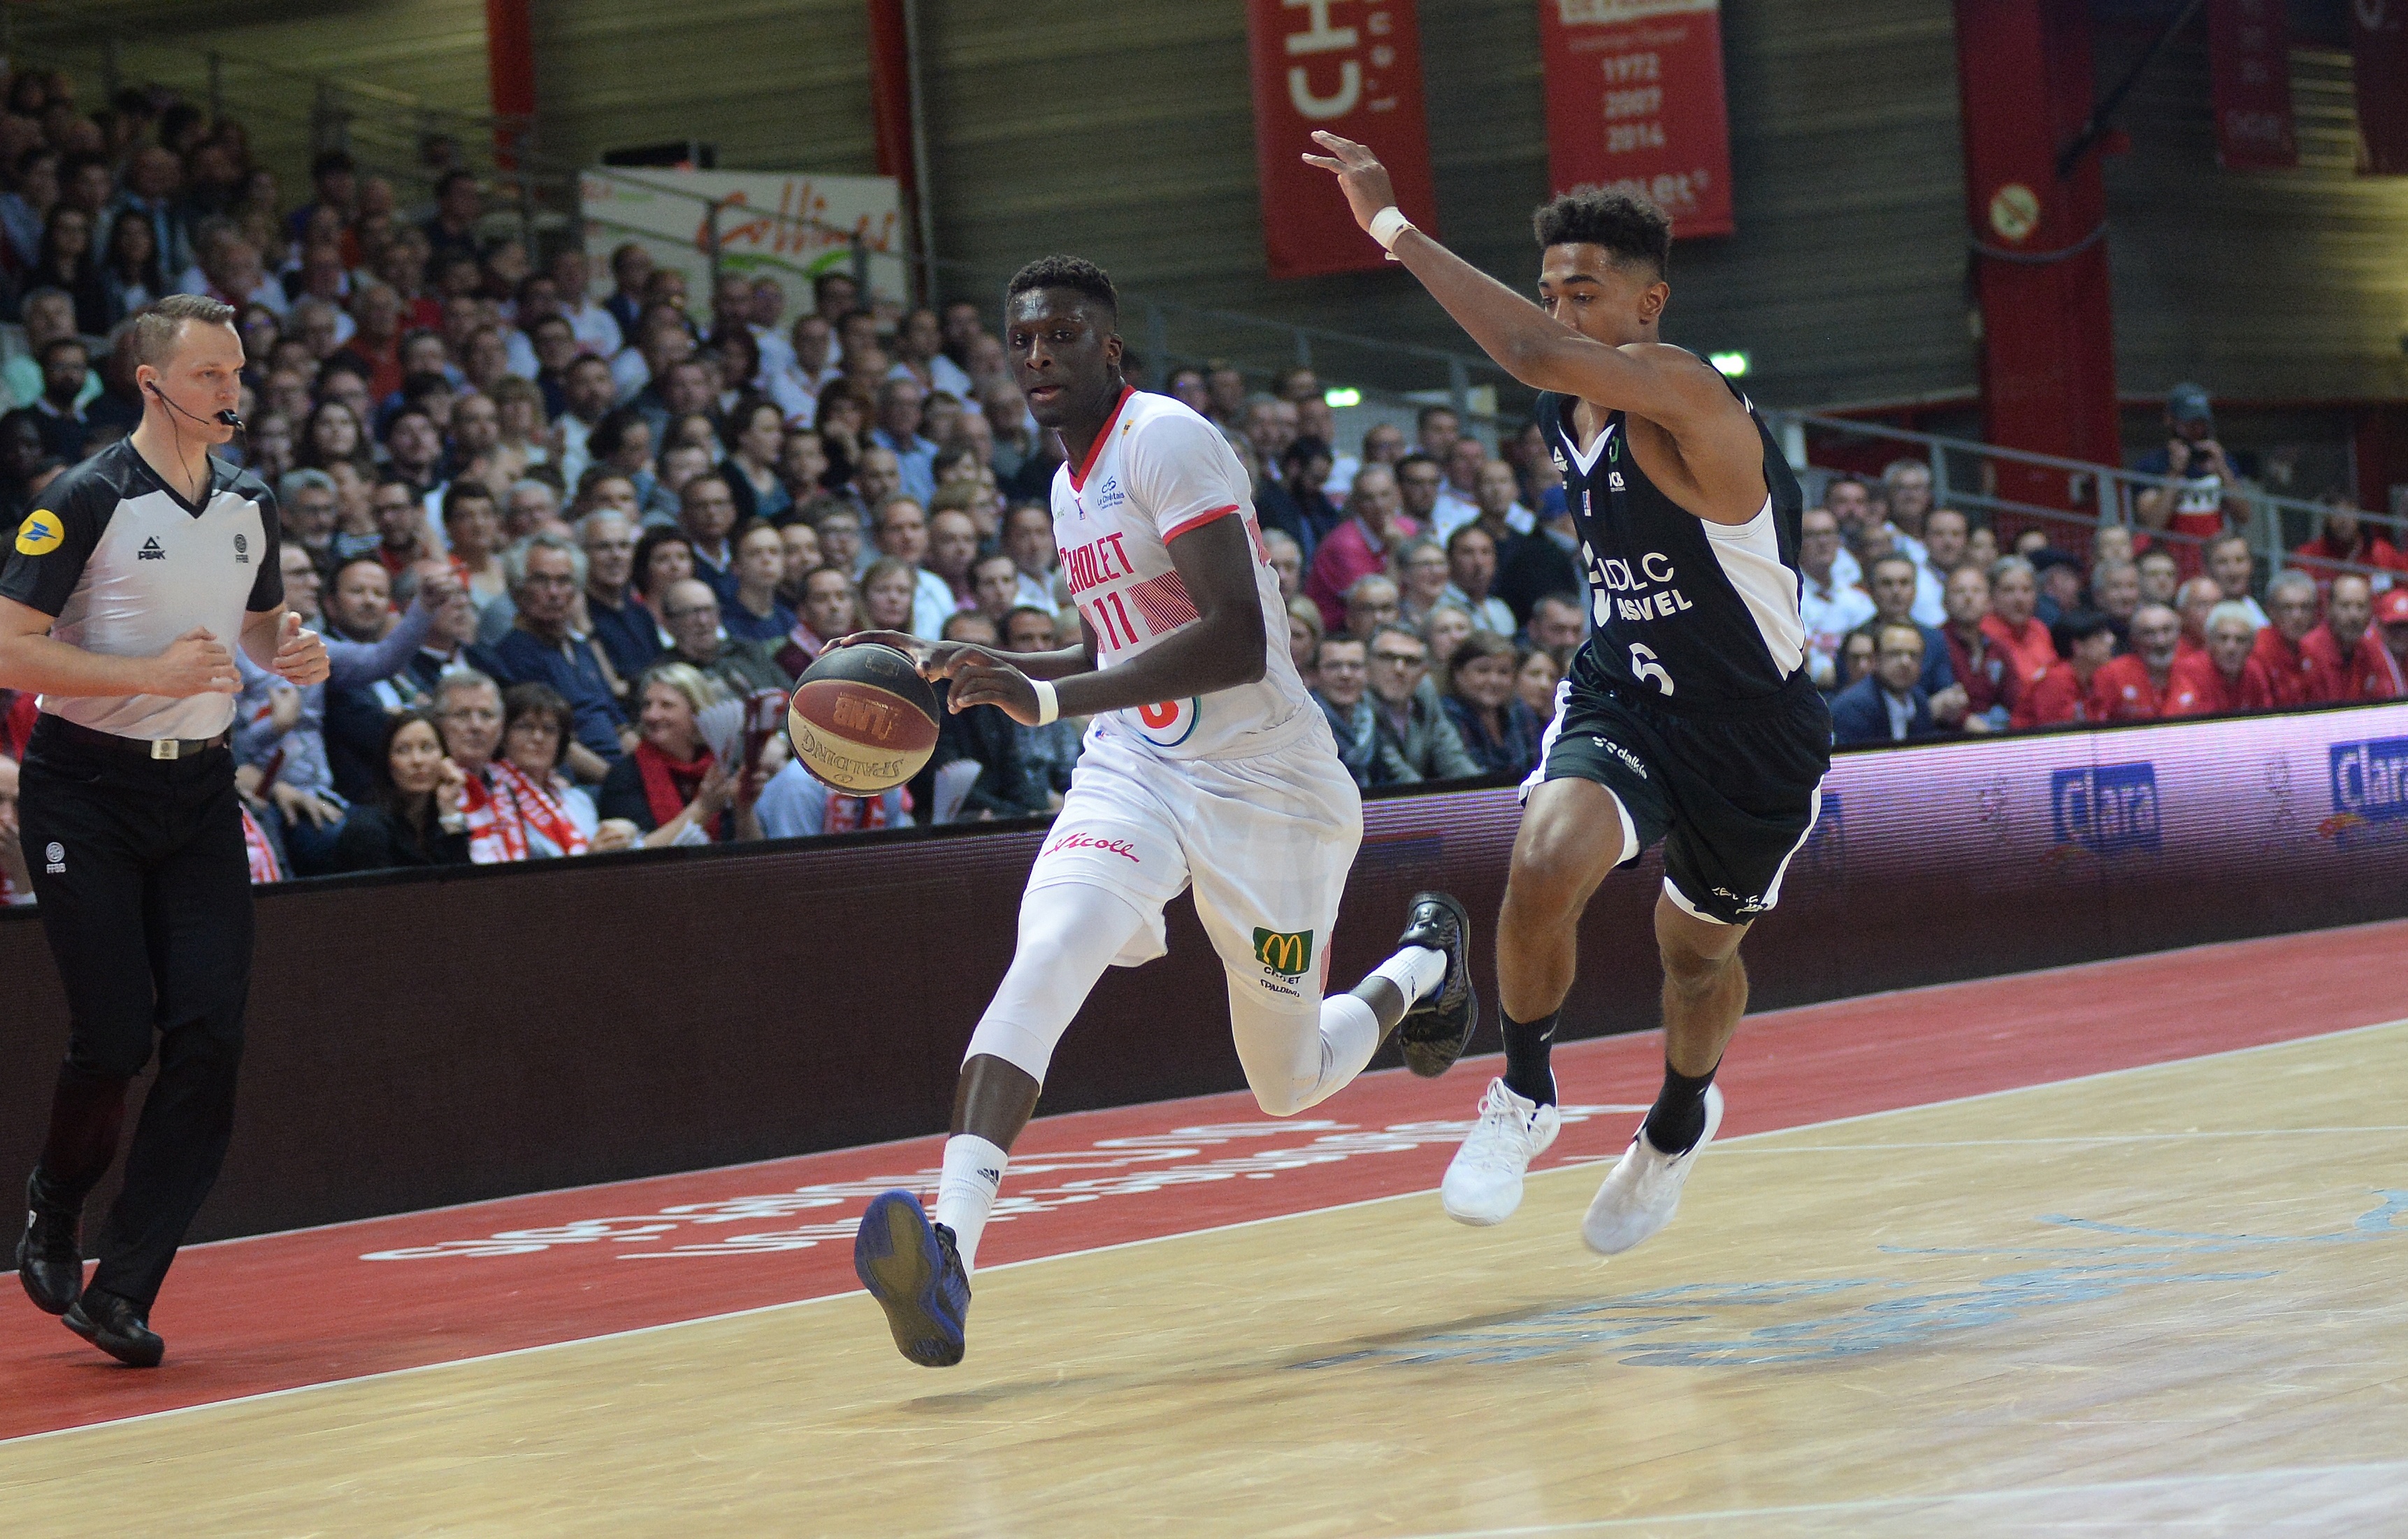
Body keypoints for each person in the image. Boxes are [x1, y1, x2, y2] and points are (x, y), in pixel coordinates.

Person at [842, 256, 1477, 1369]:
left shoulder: (1164, 438)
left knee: (1284, 1083)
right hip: (1135, 765)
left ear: (1110, 349)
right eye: (1022, 338)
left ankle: (1423, 965)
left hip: (1270, 794)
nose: (1037, 356)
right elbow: (1123, 645)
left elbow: (1233, 637)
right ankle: (949, 1252)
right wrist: (1009, 663)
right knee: (1050, 949)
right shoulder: (1064, 483)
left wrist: (1044, 696)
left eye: (1061, 336)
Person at [1304, 145, 1832, 1244]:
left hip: (1752, 735)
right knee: (1544, 858)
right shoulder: (1569, 412)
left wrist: (1392, 228)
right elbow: (1541, 354)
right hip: (1626, 697)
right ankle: (1526, 1092)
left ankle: (1679, 1122)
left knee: (1697, 960)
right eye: (1550, 291)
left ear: (1651, 302)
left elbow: (1529, 349)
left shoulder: (1686, 390)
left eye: (1583, 293)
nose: (1558, 313)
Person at [1, 294, 329, 1367]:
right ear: (151, 382)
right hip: (83, 791)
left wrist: (292, 648)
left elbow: (260, 619)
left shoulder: (250, 499)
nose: (232, 392)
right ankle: (56, 1201)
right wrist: (144, 675)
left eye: (237, 372)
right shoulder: (85, 498)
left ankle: (124, 1286)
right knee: (115, 1034)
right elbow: (9, 649)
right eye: (208, 376)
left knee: (212, 1039)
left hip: (196, 794)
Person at [596, 660, 760, 846]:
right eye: (647, 705)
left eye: (666, 705)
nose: (652, 715)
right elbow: (634, 856)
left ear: (698, 712)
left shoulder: (719, 767)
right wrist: (703, 808)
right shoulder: (625, 778)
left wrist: (744, 808)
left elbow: (752, 852)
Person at [330, 706, 473, 871]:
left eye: (427, 748)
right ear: (388, 763)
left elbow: (464, 889)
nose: (417, 761)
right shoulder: (368, 830)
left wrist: (450, 813)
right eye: (403, 750)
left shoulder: (439, 822)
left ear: (444, 758)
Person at [1365, 623, 1482, 781]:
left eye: (1411, 661)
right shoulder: (1358, 704)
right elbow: (1396, 773)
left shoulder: (1425, 698)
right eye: (1388, 658)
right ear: (1366, 664)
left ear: (1424, 671)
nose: (1399, 669)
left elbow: (1453, 758)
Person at [1443, 628, 1544, 777]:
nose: (1494, 681)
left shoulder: (1520, 711)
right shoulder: (1447, 714)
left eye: (1503, 672)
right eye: (1483, 671)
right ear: (1458, 674)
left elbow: (1539, 765)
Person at [1796, 506, 1873, 690]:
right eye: (1812, 535)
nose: (1823, 542)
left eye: (1829, 534)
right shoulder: (1787, 598)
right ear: (1796, 542)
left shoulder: (1859, 600)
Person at [2300, 572, 2405, 702]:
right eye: (2345, 606)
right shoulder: (2307, 652)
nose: (2354, 615)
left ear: (2371, 612)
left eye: (2361, 607)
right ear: (2329, 608)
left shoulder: (2373, 651)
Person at [1829, 622, 1938, 745]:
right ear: (1875, 660)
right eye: (1895, 654)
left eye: (1914, 655)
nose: (1905, 662)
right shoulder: (1852, 708)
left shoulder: (1920, 701)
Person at [2010, 610, 2119, 729]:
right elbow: (2056, 736)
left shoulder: (2093, 678)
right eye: (2101, 637)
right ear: (2078, 646)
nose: (2111, 641)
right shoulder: (2056, 680)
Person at [2167, 600, 2277, 715]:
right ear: (2209, 641)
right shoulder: (2189, 670)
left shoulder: (2254, 671)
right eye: (2223, 638)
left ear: (2252, 645)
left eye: (2240, 640)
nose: (2231, 648)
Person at [2087, 602, 2183, 721]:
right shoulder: (2111, 674)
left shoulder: (2194, 672)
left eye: (2167, 630)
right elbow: (2096, 726)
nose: (2160, 641)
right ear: (2134, 639)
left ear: (2179, 634)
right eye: (2149, 633)